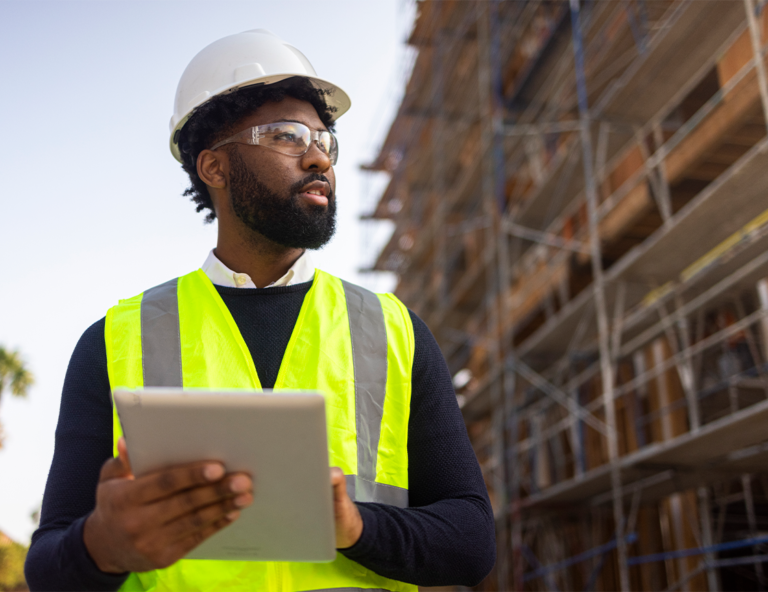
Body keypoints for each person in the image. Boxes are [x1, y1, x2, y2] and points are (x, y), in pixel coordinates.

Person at [25, 29, 495, 591]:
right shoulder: (113, 341)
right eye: (286, 136)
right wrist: (100, 545)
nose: (319, 156)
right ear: (214, 168)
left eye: (325, 139)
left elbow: (472, 541)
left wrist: (354, 525)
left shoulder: (394, 330)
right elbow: (48, 566)